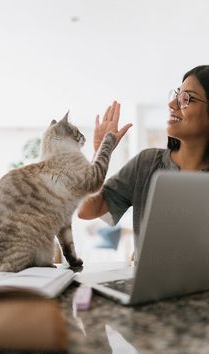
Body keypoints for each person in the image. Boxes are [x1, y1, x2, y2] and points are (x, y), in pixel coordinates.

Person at [78, 65, 209, 262]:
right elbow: (87, 210)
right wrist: (100, 152)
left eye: (185, 98)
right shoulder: (146, 164)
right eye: (176, 95)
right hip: (147, 290)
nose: (172, 103)